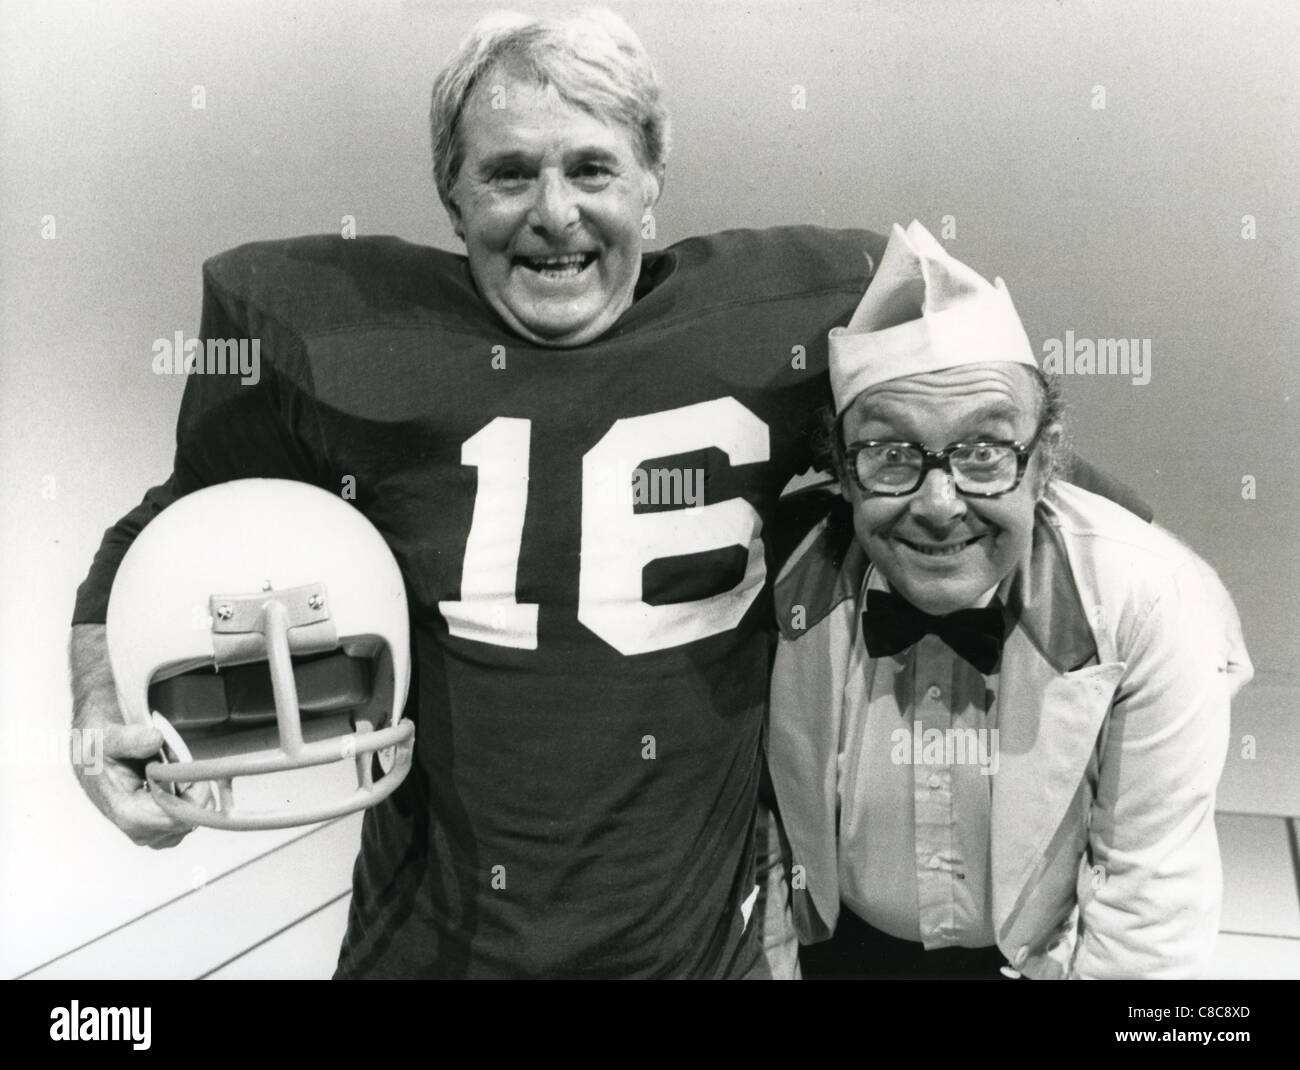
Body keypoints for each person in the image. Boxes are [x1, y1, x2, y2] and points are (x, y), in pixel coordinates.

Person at [67, 11, 1142, 978]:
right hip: (428, 942)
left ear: (650, 180)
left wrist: (1131, 581)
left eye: (592, 168)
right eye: (507, 174)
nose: (554, 212)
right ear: (450, 192)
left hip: (701, 944)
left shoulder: (801, 311)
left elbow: (988, 427)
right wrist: (100, 707)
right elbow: (163, 528)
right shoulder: (334, 334)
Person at [761, 221, 1253, 980]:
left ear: (1045, 459)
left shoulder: (1147, 604)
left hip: (1039, 961)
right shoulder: (775, 579)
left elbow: (1150, 902)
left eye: (983, 452)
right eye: (891, 455)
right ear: (842, 471)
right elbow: (751, 840)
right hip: (829, 951)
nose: (937, 503)